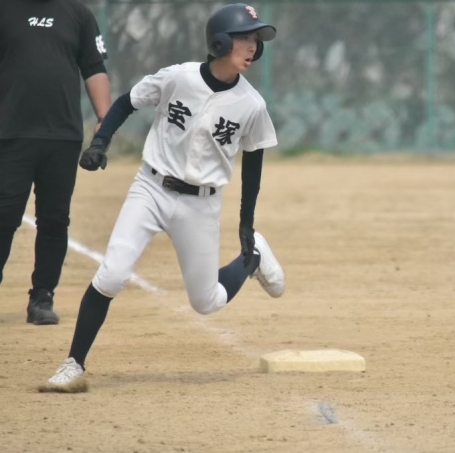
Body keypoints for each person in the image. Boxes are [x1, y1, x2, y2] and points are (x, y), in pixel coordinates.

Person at [40, 3, 285, 392]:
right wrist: (100, 142)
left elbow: (253, 165)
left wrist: (246, 226)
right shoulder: (178, 77)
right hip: (151, 189)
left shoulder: (251, 104)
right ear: (220, 42)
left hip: (201, 204)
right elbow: (126, 102)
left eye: (256, 40)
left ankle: (252, 257)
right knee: (112, 274)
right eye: (244, 38)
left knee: (206, 302)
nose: (253, 47)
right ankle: (73, 365)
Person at [0, 0, 112, 325]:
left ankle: (42, 297)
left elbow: (94, 68)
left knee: (54, 219)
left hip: (62, 136)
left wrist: (105, 119)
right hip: (10, 133)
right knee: (4, 216)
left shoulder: (78, 14)